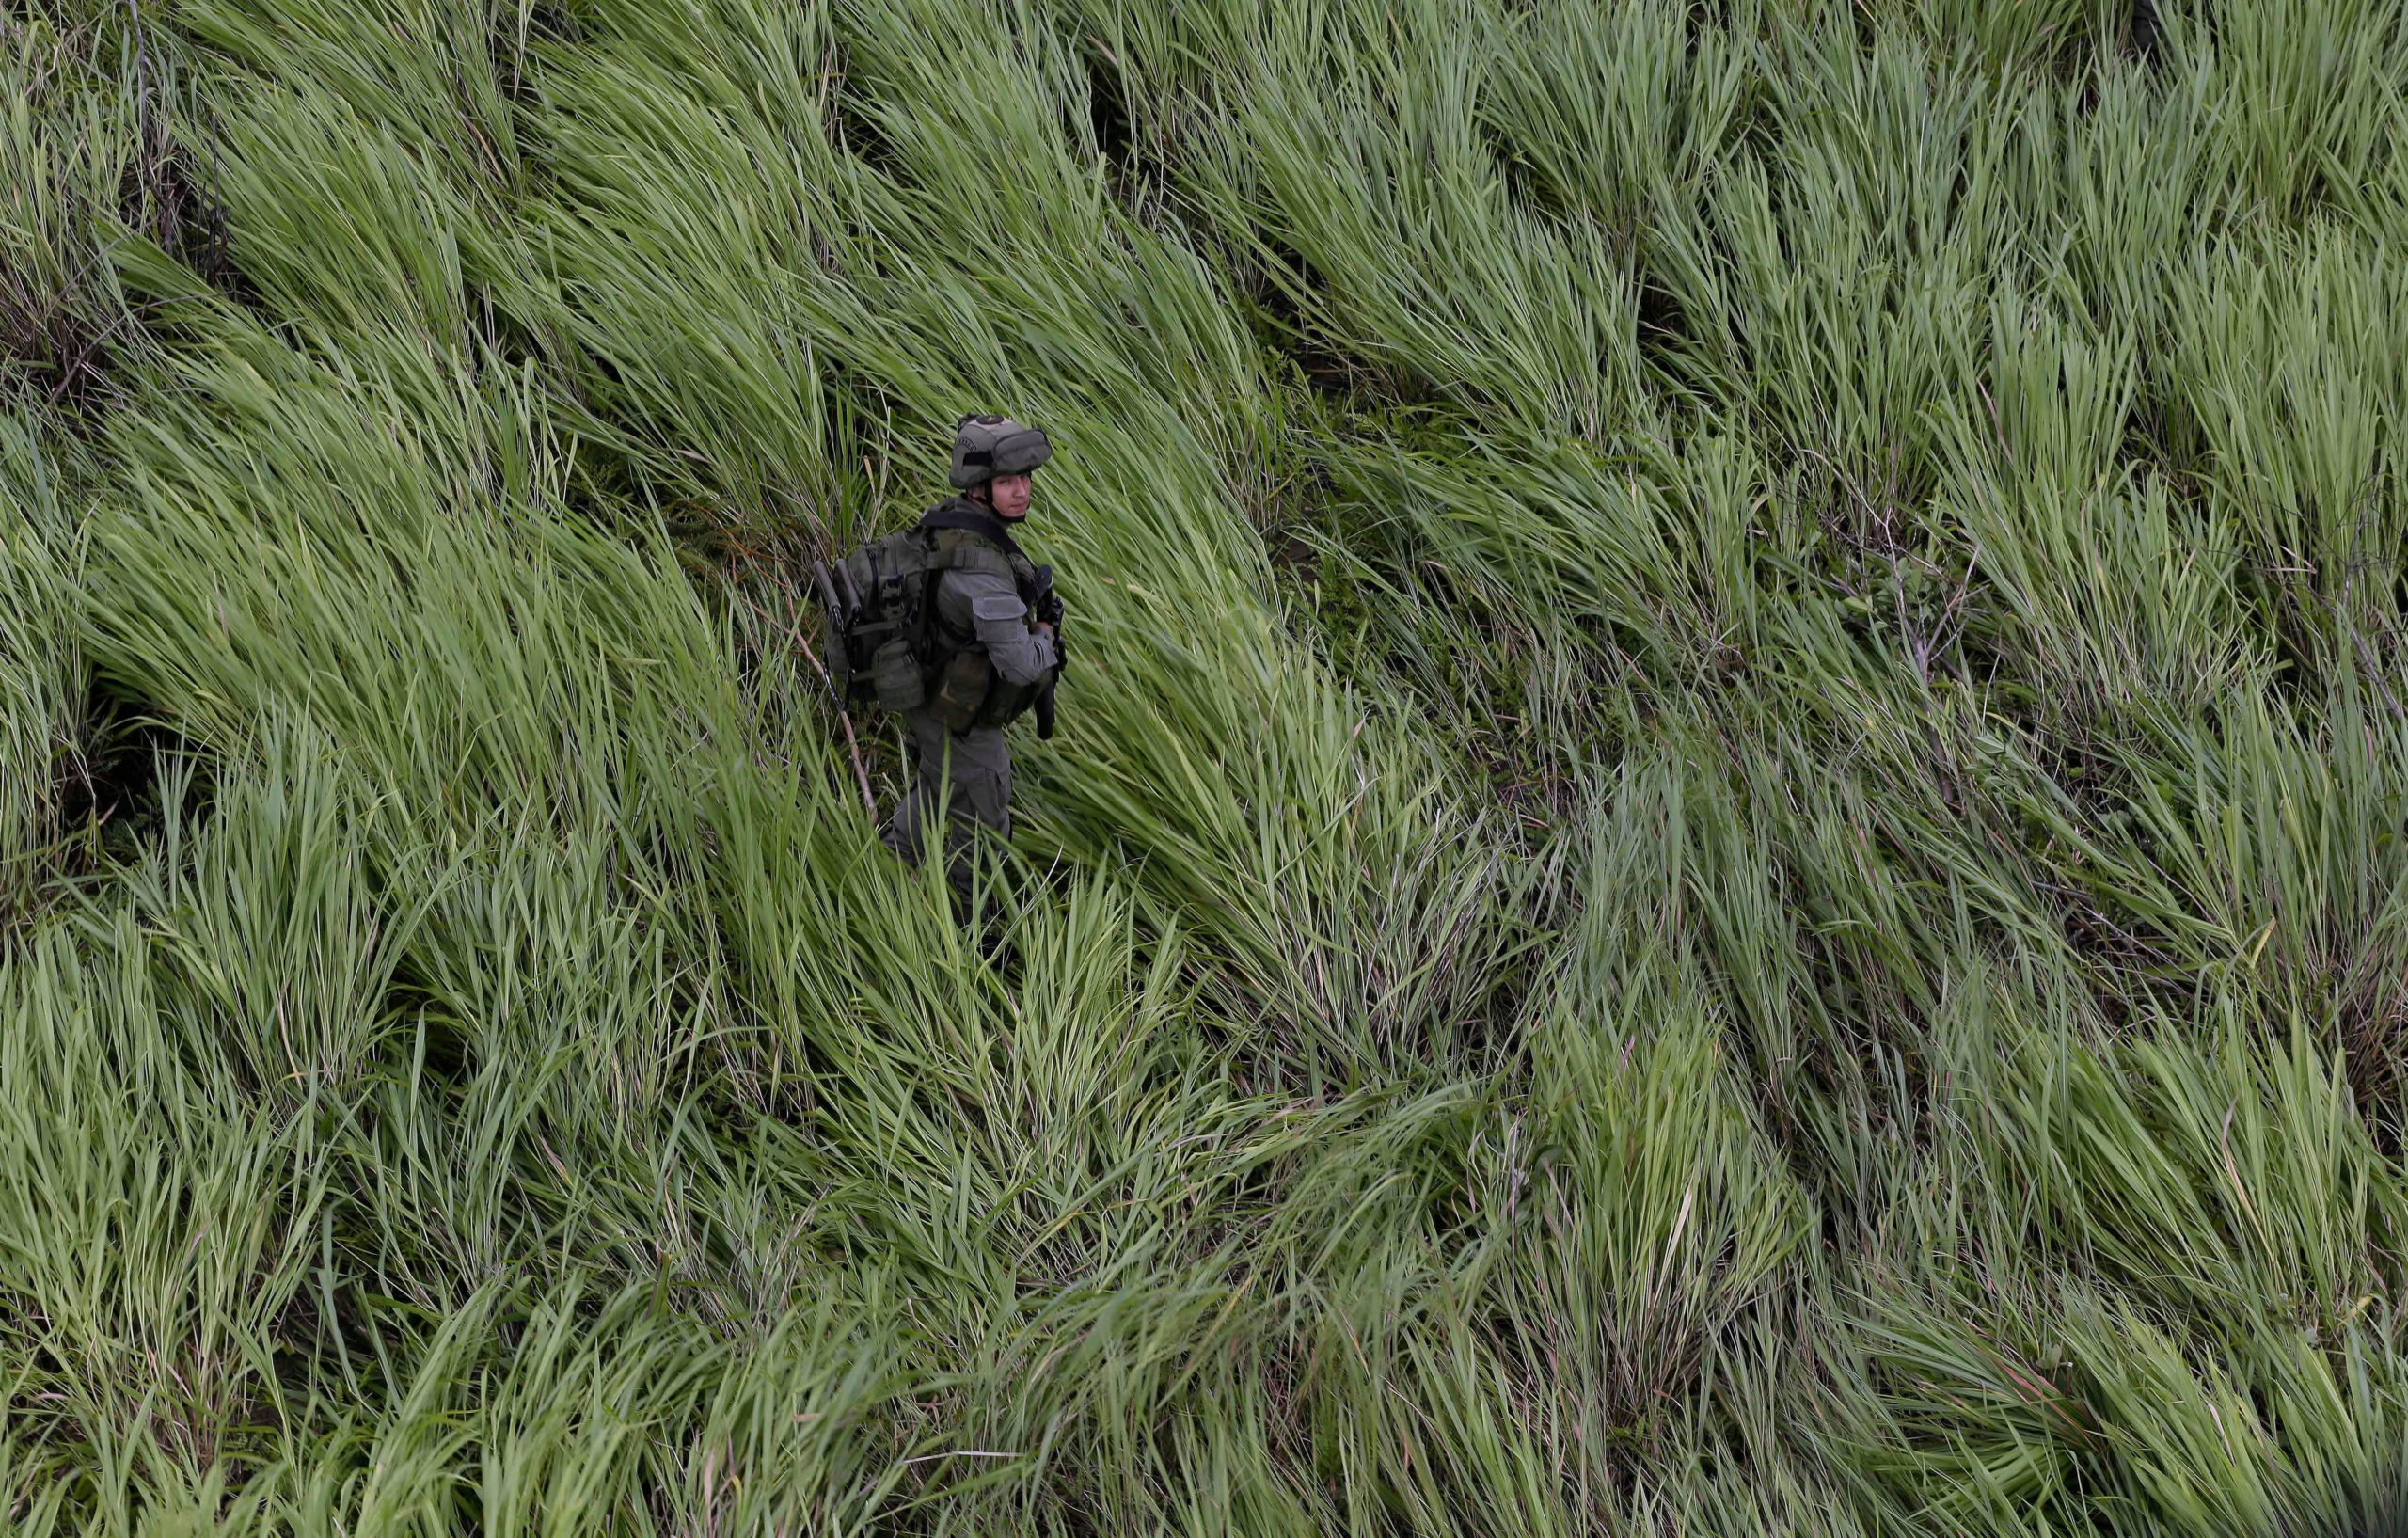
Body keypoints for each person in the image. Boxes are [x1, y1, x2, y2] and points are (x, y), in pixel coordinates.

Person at [879, 414, 1063, 896]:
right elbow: (1021, 664)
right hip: (957, 714)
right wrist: (1045, 633)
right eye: (1006, 482)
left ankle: (886, 873)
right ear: (979, 488)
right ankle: (969, 920)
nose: (1021, 491)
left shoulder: (951, 520)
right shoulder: (980, 570)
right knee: (985, 827)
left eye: (1025, 478)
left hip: (928, 692)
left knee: (936, 787)